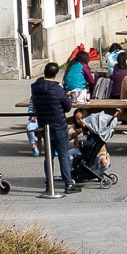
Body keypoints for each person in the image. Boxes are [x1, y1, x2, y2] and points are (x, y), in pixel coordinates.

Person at [30, 63, 80, 193]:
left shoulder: (35, 88)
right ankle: (68, 184)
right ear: (56, 74)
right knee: (63, 155)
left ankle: (49, 184)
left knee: (49, 156)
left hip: (44, 125)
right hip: (58, 124)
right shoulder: (57, 89)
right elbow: (67, 107)